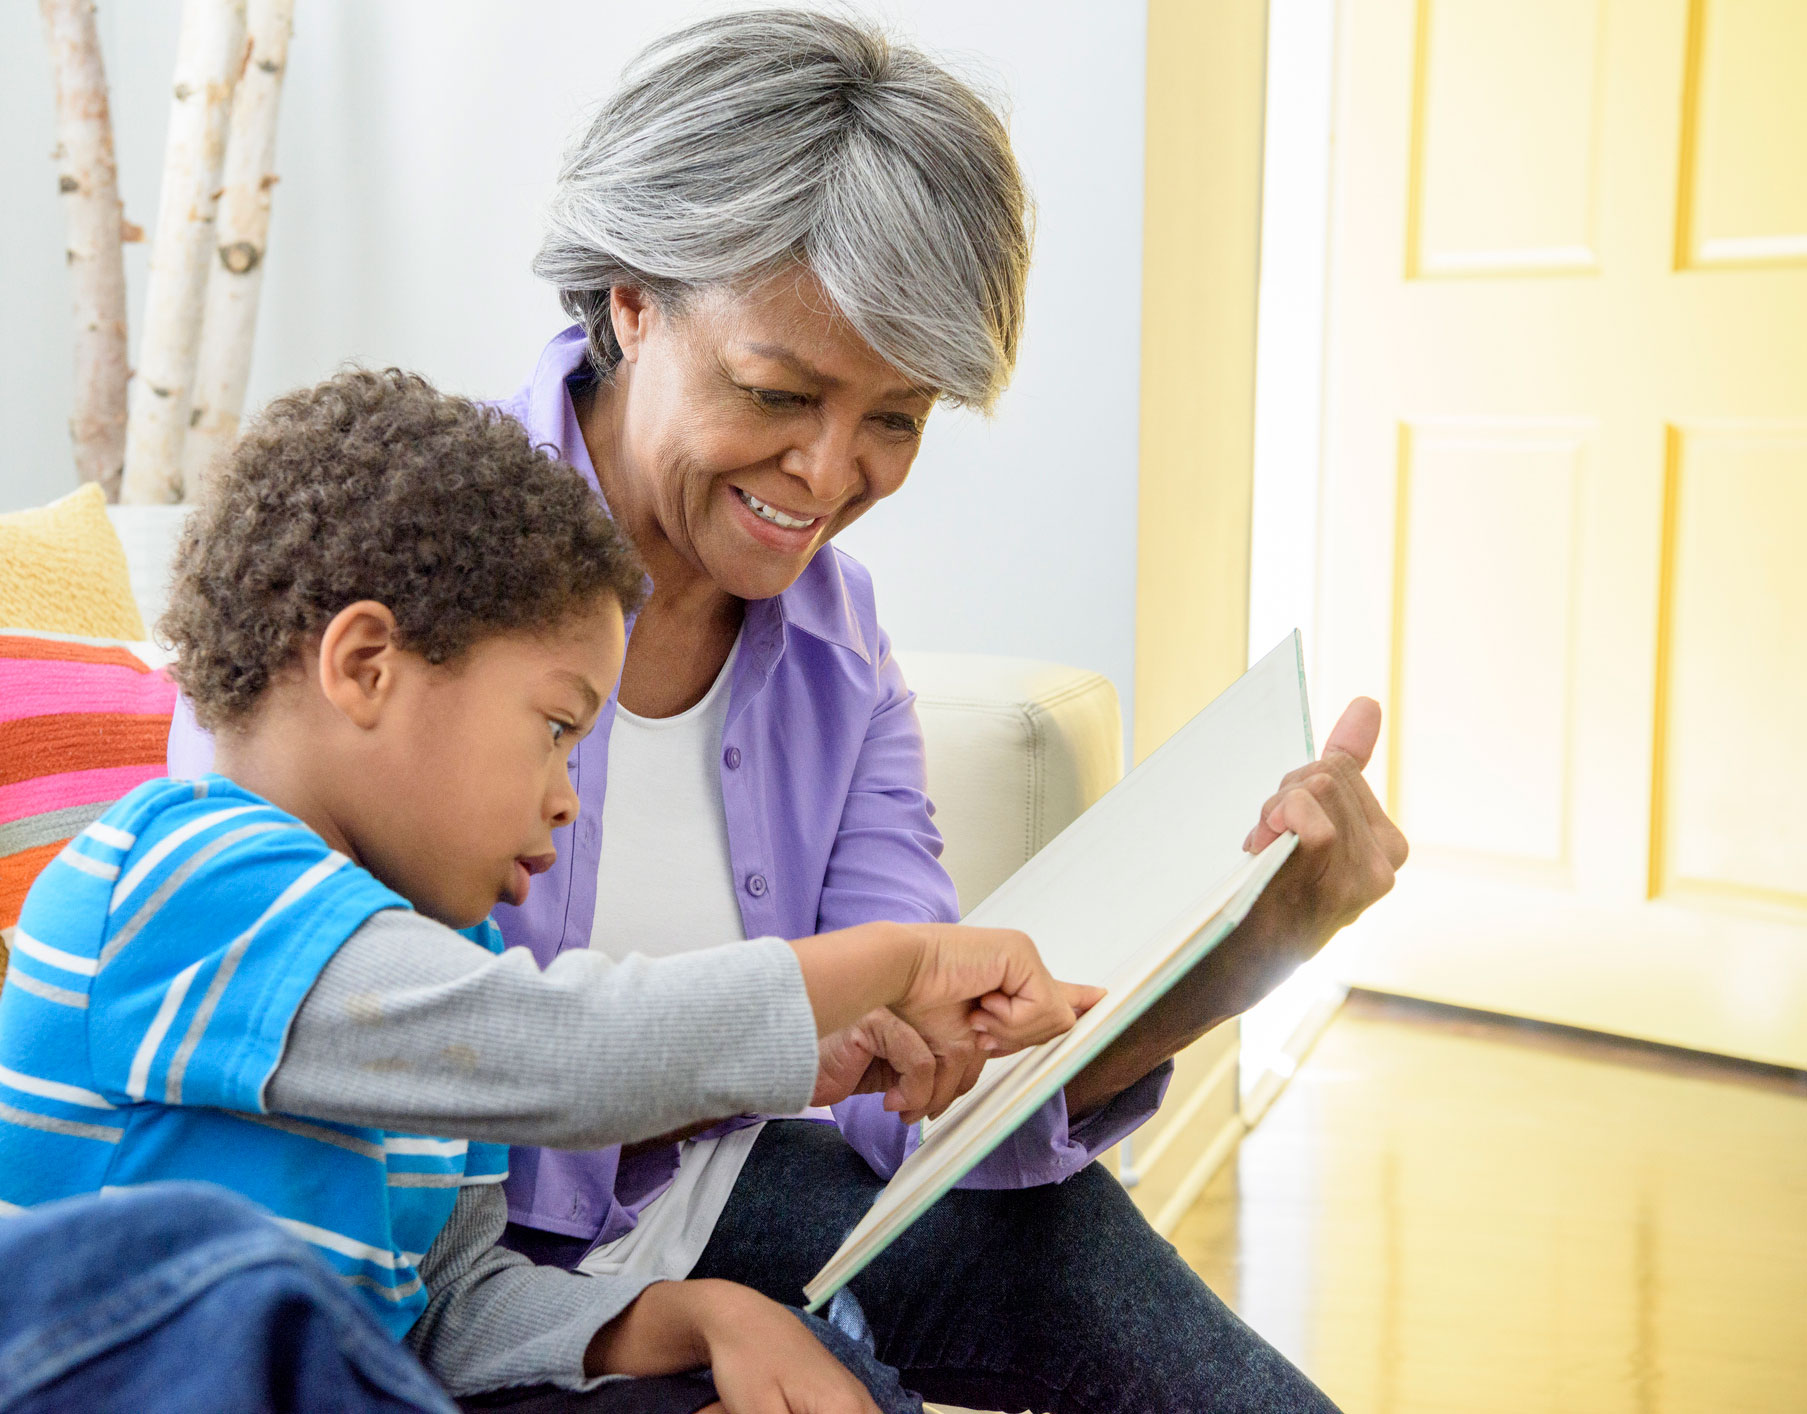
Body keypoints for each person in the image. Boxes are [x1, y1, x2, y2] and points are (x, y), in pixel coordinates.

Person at [184, 12, 1406, 1411]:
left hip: (700, 1202)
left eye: (897, 416)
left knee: (1137, 1314)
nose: (828, 474)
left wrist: (1244, 949)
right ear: (631, 300)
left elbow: (916, 1103)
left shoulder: (834, 641)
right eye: (779, 391)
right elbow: (416, 1030)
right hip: (451, 1258)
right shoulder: (396, 556)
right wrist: (877, 979)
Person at [0, 369, 1092, 1412]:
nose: (568, 796)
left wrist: (698, 1314)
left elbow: (449, 1313)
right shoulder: (182, 883)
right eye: (555, 730)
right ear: (366, 665)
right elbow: (563, 1049)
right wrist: (897, 962)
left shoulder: (432, 951)